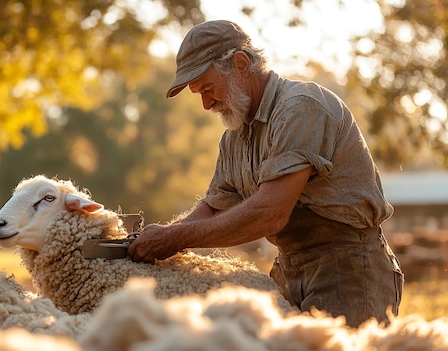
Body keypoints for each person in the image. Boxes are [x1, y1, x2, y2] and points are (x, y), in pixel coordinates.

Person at [127, 20, 404, 328]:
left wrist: (174, 238)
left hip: (349, 271)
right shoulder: (234, 138)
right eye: (199, 94)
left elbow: (271, 213)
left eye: (208, 88)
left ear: (241, 63)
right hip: (288, 269)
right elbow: (214, 207)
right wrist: (158, 238)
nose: (206, 104)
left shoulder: (300, 108)